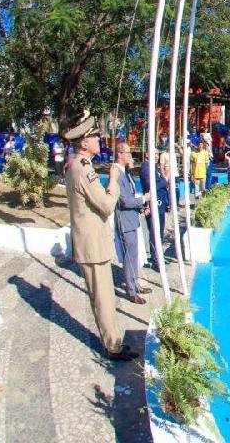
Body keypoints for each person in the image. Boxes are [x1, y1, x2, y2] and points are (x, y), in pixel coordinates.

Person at [63, 112, 137, 361]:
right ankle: (113, 346)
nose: (98, 139)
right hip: (92, 244)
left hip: (94, 242)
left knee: (105, 296)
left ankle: (113, 340)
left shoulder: (82, 166)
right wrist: (114, 180)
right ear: (83, 143)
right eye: (94, 136)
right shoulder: (83, 169)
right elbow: (105, 205)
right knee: (103, 298)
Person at [113, 142, 151, 304]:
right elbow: (125, 201)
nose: (130, 156)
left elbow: (131, 195)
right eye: (128, 153)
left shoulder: (126, 173)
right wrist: (144, 199)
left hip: (132, 218)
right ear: (120, 154)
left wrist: (141, 207)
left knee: (134, 255)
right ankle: (131, 290)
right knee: (129, 257)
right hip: (125, 221)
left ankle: (135, 283)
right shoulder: (116, 174)